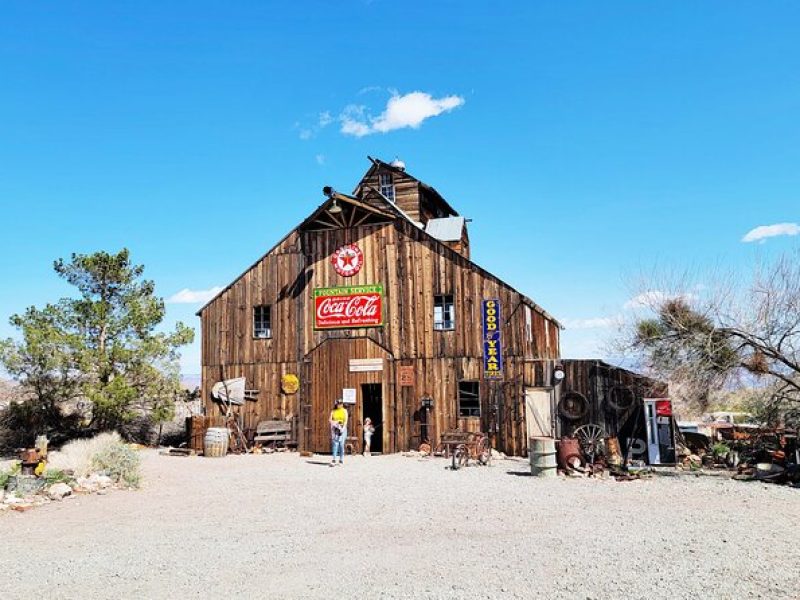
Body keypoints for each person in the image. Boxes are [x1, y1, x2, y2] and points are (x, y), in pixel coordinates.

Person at [329, 399, 348, 466]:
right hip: (335, 428)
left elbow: (346, 420)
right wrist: (335, 423)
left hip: (342, 428)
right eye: (338, 403)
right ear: (336, 404)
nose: (340, 405)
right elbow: (330, 420)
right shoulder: (333, 411)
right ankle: (334, 459)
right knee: (335, 444)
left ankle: (341, 460)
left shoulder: (345, 411)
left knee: (341, 444)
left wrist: (343, 428)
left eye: (341, 403)